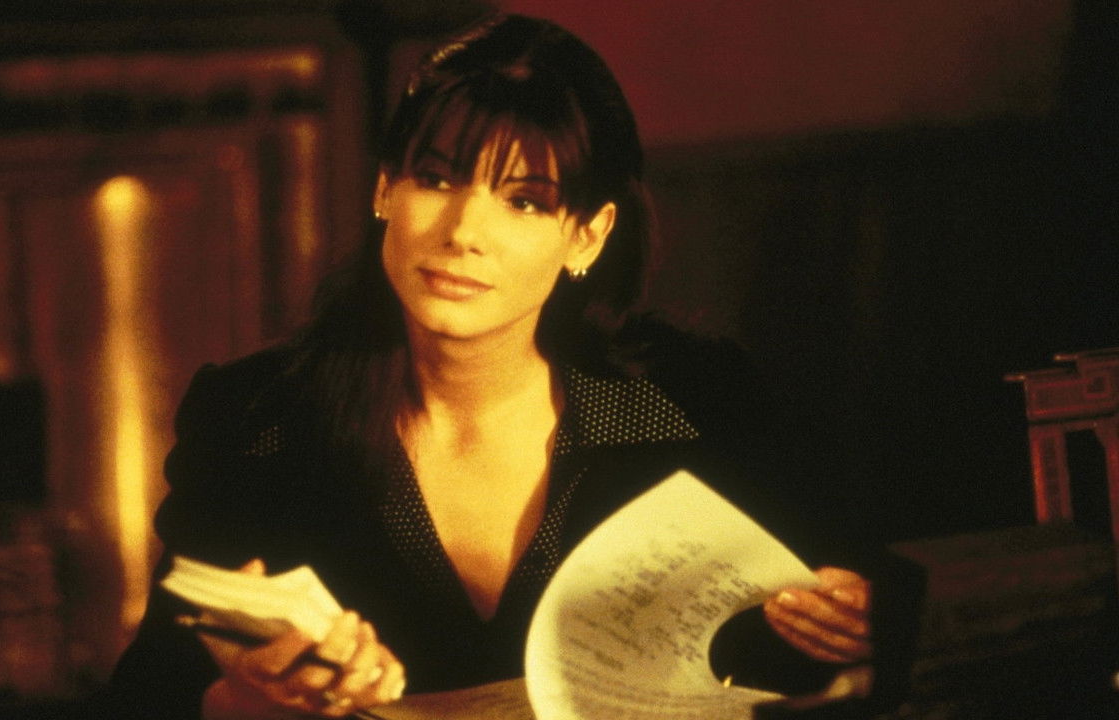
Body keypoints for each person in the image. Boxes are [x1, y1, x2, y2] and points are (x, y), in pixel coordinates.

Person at [103, 14, 875, 719]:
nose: (464, 230)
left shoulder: (693, 400)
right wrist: (244, 702)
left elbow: (828, 634)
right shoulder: (261, 418)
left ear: (587, 235)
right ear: (385, 189)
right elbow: (148, 697)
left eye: (525, 201)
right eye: (437, 179)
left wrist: (849, 623)